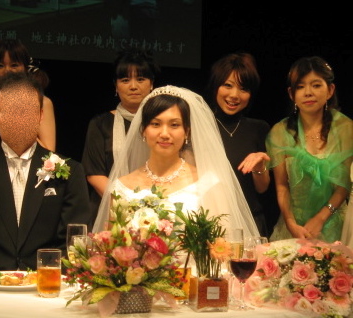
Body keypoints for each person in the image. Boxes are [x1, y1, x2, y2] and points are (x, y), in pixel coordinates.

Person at [0, 72, 90, 275]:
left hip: (46, 284)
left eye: (26, 111)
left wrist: (42, 277)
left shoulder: (71, 172)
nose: (19, 119)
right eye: (11, 111)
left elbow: (75, 240)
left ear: (40, 116)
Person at [93, 85, 259, 241]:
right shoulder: (121, 187)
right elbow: (113, 247)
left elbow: (222, 247)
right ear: (143, 130)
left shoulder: (208, 184)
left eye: (174, 125)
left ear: (187, 131)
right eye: (156, 124)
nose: (165, 134)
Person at [267, 56, 353, 243]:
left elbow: (344, 184)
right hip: (294, 226)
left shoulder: (345, 128)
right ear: (291, 94)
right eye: (300, 87)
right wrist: (290, 223)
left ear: (330, 90)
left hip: (334, 223)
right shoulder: (279, 132)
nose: (308, 93)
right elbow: (281, 186)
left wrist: (321, 218)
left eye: (316, 85)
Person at [81, 48, 159, 225]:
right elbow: (94, 173)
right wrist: (128, 205)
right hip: (109, 209)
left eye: (140, 79)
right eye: (125, 80)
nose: (133, 86)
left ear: (151, 84)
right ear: (116, 86)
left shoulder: (162, 123)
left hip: (157, 210)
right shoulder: (100, 123)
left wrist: (151, 207)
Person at [206, 52, 275, 238]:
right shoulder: (200, 125)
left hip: (250, 222)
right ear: (215, 85)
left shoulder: (259, 128)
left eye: (243, 89)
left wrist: (259, 167)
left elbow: (262, 189)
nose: (234, 95)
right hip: (209, 223)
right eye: (228, 85)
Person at [0, 39, 56, 151]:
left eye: (14, 65)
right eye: (0, 65)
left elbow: (48, 151)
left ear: (25, 68)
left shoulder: (43, 102)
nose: (7, 71)